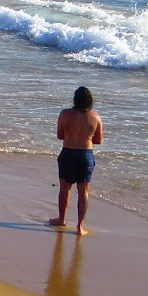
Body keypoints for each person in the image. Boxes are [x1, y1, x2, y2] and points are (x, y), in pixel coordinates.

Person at [49, 87, 104, 236]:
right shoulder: (96, 117)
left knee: (64, 189)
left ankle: (61, 219)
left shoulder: (65, 114)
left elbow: (60, 135)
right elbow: (98, 140)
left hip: (68, 152)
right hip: (86, 155)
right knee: (83, 191)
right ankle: (80, 226)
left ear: (75, 99)